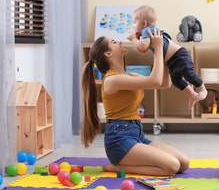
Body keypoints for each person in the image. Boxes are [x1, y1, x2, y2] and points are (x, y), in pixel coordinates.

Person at [81, 28, 189, 176]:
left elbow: (163, 83)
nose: (120, 41)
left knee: (183, 163)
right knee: (171, 167)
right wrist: (157, 50)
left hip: (137, 136)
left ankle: (126, 163)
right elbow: (155, 80)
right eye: (114, 42)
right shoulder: (111, 80)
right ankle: (118, 167)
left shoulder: (130, 75)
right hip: (119, 140)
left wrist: (164, 53)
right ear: (108, 54)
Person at [127, 5, 207, 110]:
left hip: (179, 56)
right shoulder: (148, 33)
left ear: (144, 23)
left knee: (188, 74)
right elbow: (143, 51)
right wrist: (137, 40)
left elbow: (143, 46)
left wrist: (133, 40)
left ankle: (202, 89)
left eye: (134, 22)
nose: (133, 26)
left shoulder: (148, 30)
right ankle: (192, 94)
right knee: (176, 80)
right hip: (171, 60)